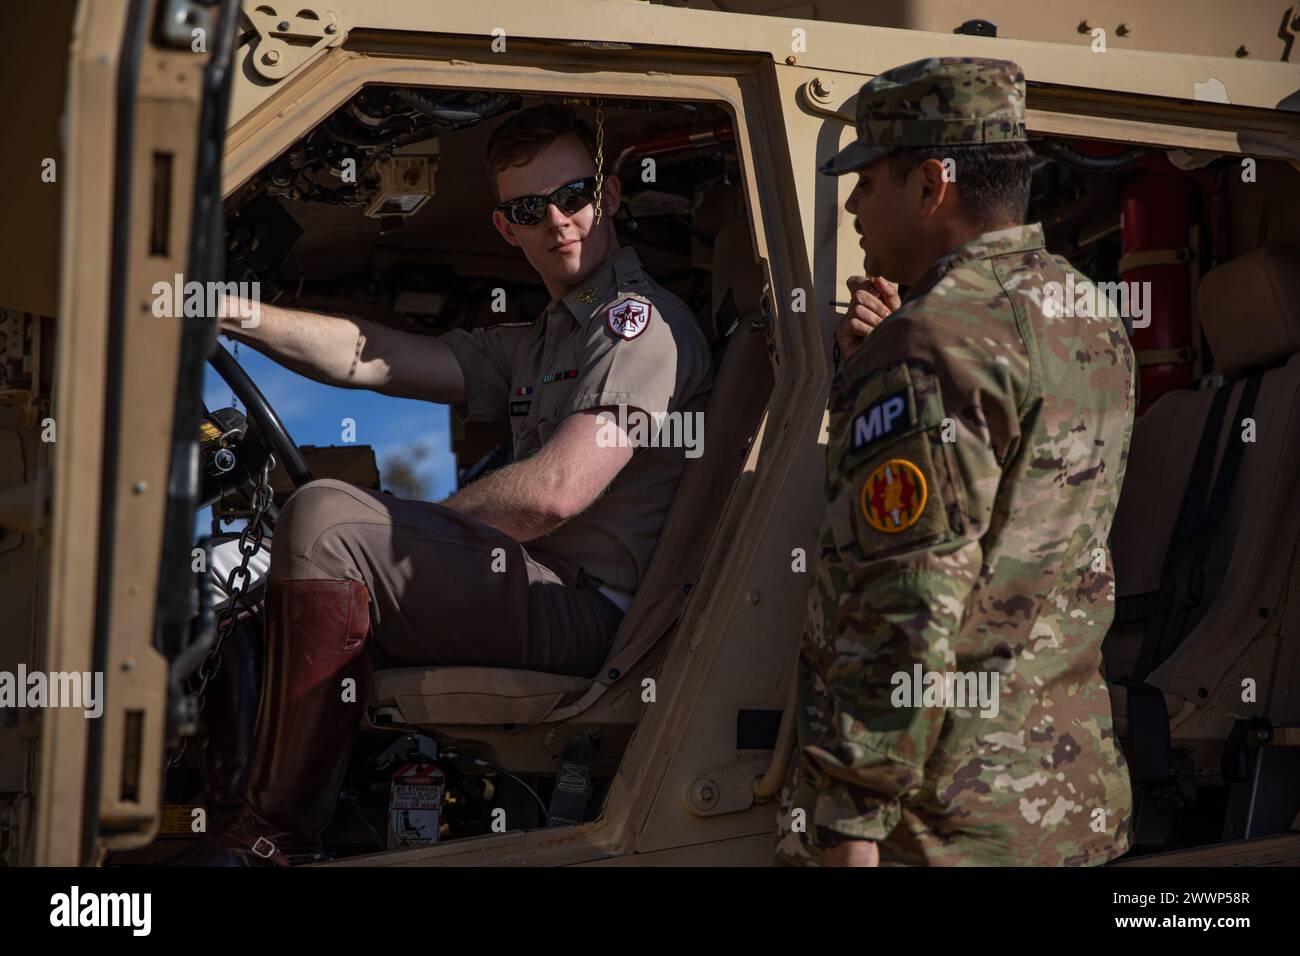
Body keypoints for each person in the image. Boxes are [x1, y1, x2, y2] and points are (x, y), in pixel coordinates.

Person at [194, 104, 713, 864]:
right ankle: (222, 812)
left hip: (590, 614)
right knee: (257, 581)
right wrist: (232, 314)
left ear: (608, 197)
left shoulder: (637, 327)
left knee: (328, 520)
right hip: (541, 590)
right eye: (531, 209)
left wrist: (408, 534)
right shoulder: (544, 337)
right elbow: (372, 356)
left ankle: (272, 841)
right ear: (507, 226)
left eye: (574, 197)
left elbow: (554, 494)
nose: (558, 222)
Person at [776, 57, 1136, 867]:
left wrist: (850, 825)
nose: (854, 205)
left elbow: (909, 606)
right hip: (1065, 804)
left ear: (930, 185)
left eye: (866, 180)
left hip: (936, 824)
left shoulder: (933, 342)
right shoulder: (1084, 311)